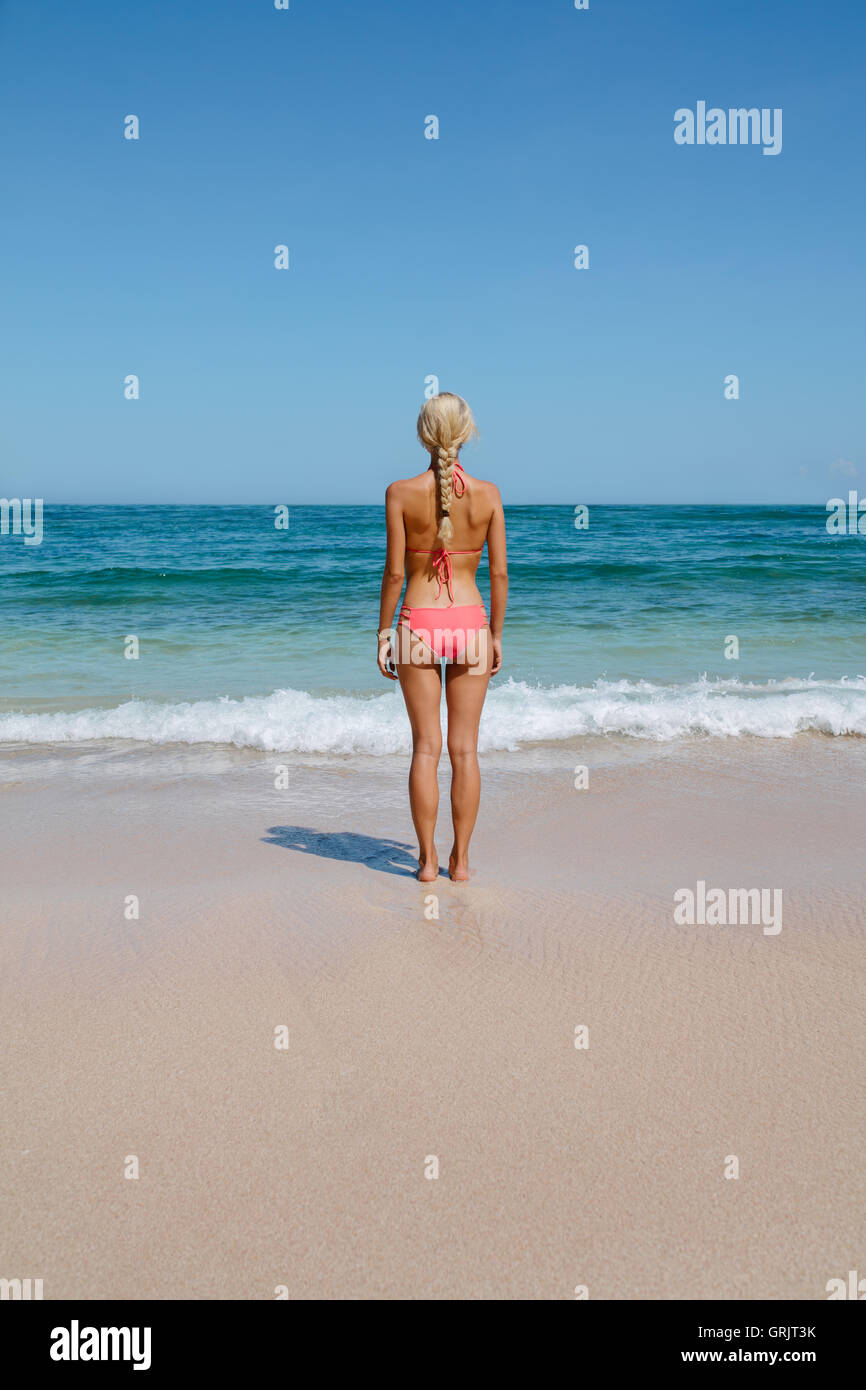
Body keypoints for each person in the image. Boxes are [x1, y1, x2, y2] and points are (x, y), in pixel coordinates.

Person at [377, 393, 507, 882]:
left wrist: (384, 632)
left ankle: (427, 861)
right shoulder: (489, 495)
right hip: (471, 625)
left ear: (422, 433)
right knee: (465, 751)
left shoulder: (399, 493)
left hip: (418, 625)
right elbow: (499, 575)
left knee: (425, 749)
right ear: (467, 432)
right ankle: (462, 862)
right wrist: (494, 634)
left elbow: (394, 574)